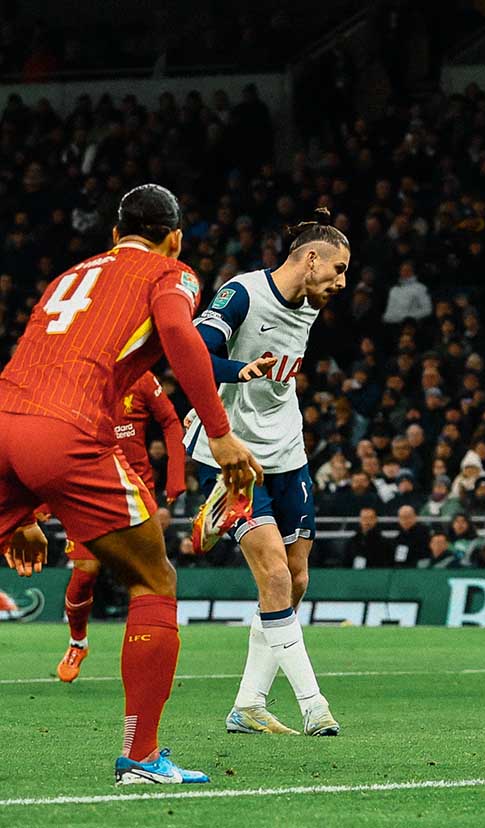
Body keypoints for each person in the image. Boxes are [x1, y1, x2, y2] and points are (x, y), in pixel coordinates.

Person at [0, 183, 260, 785]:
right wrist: (218, 434)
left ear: (115, 234)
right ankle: (141, 757)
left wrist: (21, 514)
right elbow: (179, 334)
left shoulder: (70, 275)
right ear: (174, 237)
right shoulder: (171, 271)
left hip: (8, 423)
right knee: (154, 577)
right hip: (67, 432)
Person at [184, 208, 347, 738]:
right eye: (338, 269)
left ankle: (248, 703)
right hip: (234, 455)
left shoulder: (310, 302)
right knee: (274, 576)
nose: (341, 282)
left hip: (288, 451)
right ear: (312, 259)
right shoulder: (242, 294)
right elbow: (194, 354)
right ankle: (313, 704)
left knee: (296, 581)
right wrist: (238, 369)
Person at [56, 371, 187, 683]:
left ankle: (154, 652)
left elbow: (170, 421)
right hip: (89, 489)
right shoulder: (83, 377)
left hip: (135, 490)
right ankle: (78, 642)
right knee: (85, 573)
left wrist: (175, 476)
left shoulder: (142, 378)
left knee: (149, 576)